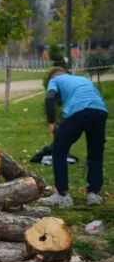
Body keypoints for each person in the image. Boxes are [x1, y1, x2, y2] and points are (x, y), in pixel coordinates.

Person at [37, 67, 108, 208]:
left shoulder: (55, 80)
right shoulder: (83, 79)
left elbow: (50, 97)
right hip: (100, 111)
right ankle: (94, 194)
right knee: (95, 153)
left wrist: (51, 123)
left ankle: (62, 195)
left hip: (79, 111)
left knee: (58, 150)